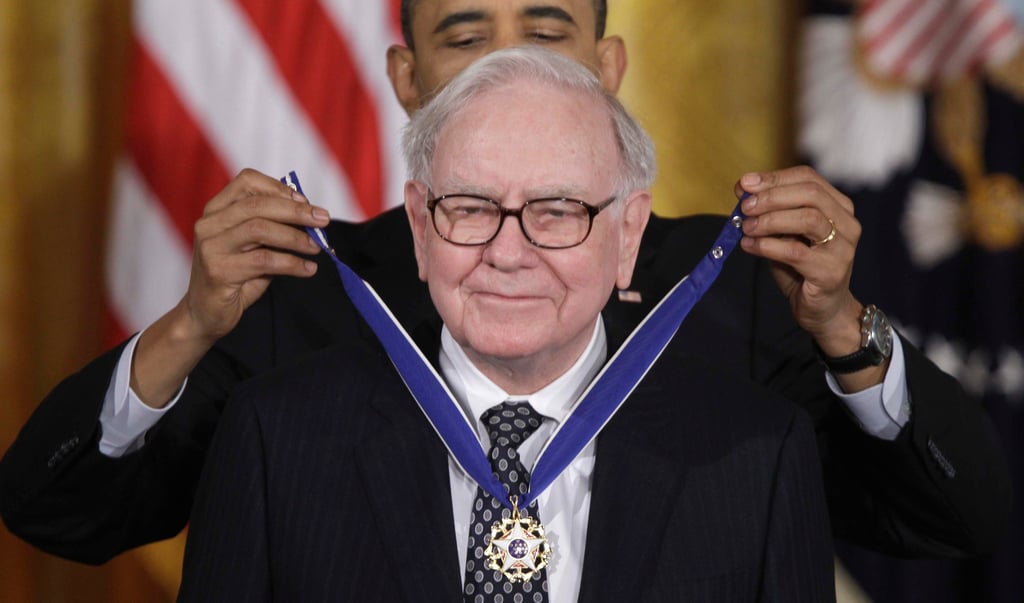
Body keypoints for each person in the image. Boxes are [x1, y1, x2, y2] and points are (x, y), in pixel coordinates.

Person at [0, 0, 1009, 565]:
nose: (509, 64)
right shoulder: (303, 285)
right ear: (405, 81)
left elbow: (959, 518)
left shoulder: (737, 284)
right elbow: (58, 513)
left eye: (546, 28)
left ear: (608, 66)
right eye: (466, 36)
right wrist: (185, 327)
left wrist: (843, 326)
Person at [177, 46, 836, 602]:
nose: (508, 251)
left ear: (628, 234)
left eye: (556, 210)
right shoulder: (273, 436)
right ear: (418, 227)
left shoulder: (760, 453)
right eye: (470, 207)